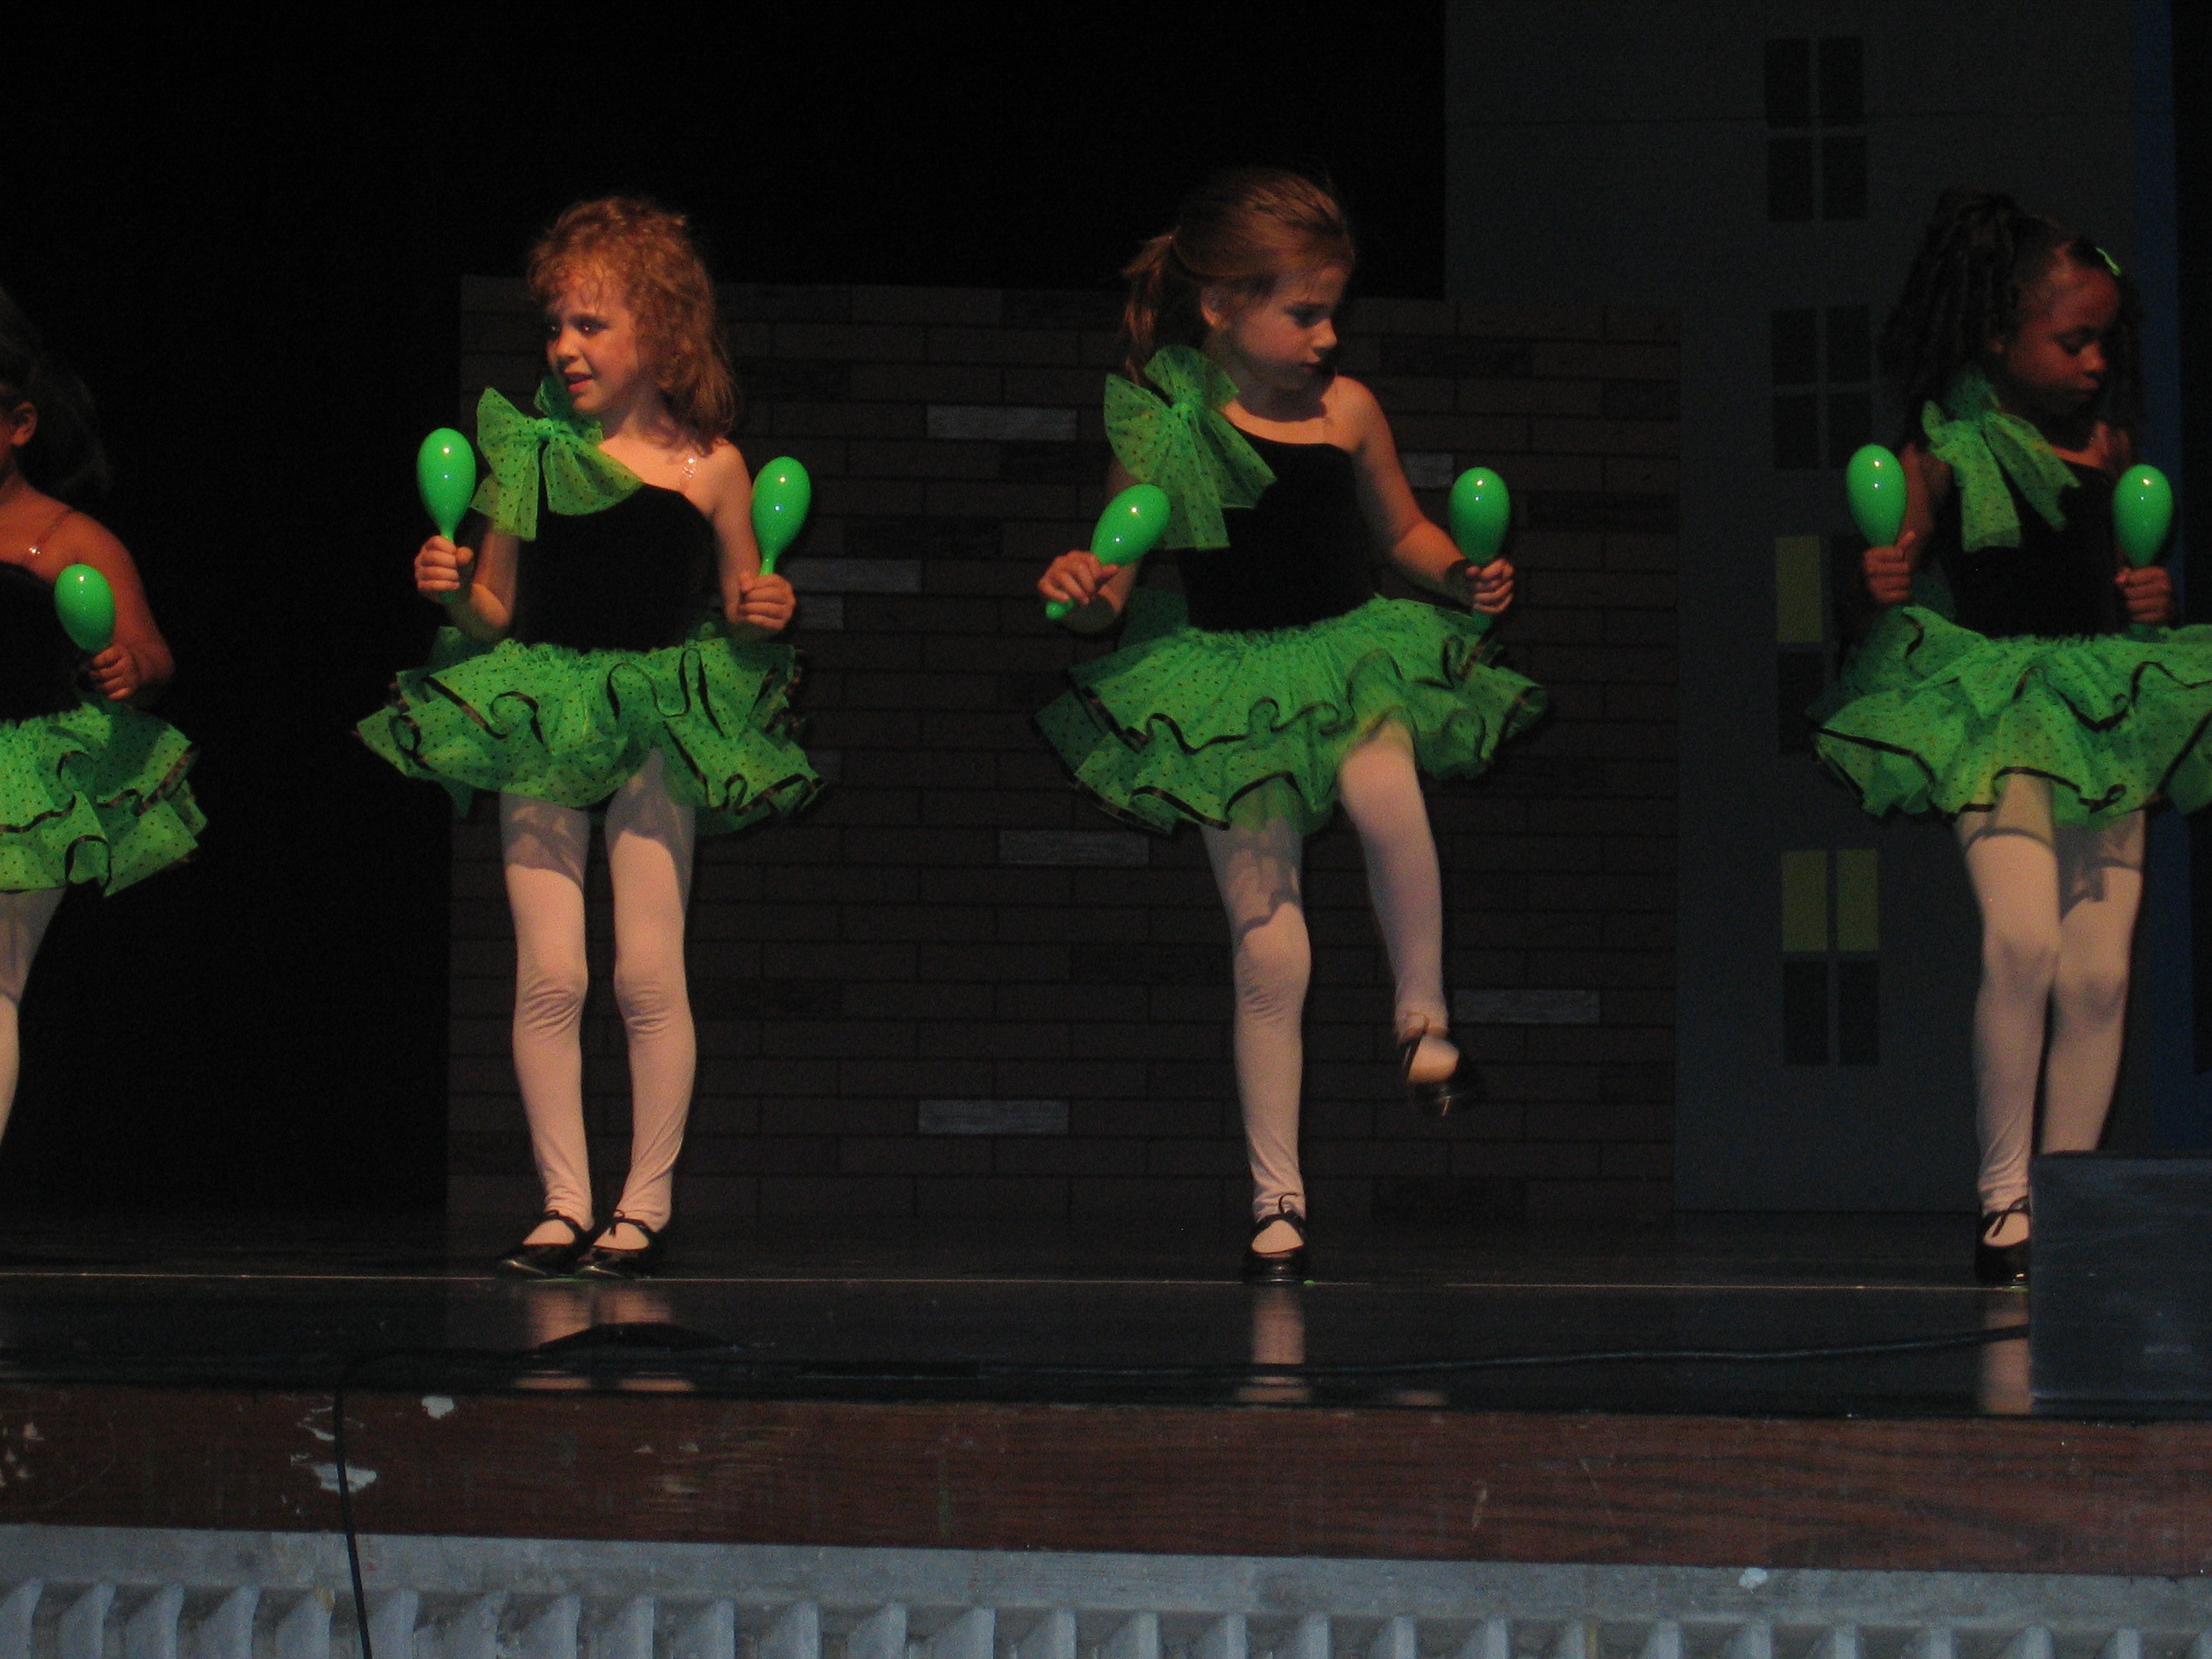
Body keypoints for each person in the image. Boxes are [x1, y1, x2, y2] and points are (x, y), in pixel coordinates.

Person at [1034, 170, 1545, 1284]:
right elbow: (1115, 580)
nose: (1327, 335)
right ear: (1221, 306)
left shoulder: (1347, 411)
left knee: (1386, 796)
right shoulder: (1172, 422)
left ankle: (1424, 1019)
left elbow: (1403, 533)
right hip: (1227, 690)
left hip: (1351, 652)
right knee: (1271, 950)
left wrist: (1463, 578)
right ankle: (1276, 1200)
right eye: (1303, 312)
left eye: (1332, 312)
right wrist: (1086, 589)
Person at [358, 200, 818, 1279]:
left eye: (591, 325)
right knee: (550, 973)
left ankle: (642, 1206)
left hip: (659, 718)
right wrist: (453, 593)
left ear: (663, 334)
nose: (564, 347)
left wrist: (766, 612)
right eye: (555, 326)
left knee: (648, 972)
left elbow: (744, 603)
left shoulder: (713, 467)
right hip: (543, 710)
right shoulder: (524, 455)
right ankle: (563, 1203)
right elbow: (495, 613)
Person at [1812, 189, 2212, 1285]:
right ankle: (2003, 1194)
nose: (2093, 362)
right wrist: (1875, 582)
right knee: (2025, 941)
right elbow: (1875, 590)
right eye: (2070, 339)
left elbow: (2122, 580)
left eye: (2103, 340)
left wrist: (2148, 605)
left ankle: (2069, 1195)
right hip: (1994, 711)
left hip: (2100, 710)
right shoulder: (1951, 447)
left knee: (2095, 974)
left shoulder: (2111, 445)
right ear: (1999, 337)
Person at [0, 290, 202, 1147]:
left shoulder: (70, 539)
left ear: (18, 424)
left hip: (28, 779)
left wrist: (130, 668)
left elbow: (151, 656)